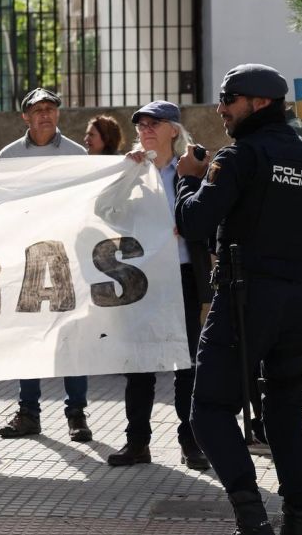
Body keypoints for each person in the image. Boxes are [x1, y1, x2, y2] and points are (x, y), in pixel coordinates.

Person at [175, 64, 302, 535]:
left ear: (258, 104)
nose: (220, 109)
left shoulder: (239, 158)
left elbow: (195, 222)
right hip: (298, 301)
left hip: (245, 299)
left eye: (228, 99)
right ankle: (297, 518)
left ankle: (251, 517)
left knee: (210, 411)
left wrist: (188, 179)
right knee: (285, 409)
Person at [105, 101, 211, 470]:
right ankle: (137, 443)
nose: (146, 129)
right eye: (141, 124)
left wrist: (188, 223)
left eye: (155, 123)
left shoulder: (193, 168)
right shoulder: (131, 170)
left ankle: (192, 442)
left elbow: (211, 218)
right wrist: (127, 176)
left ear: (174, 131)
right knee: (139, 360)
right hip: (140, 278)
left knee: (187, 362)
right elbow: (105, 212)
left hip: (182, 275)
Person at [0, 88, 92, 442]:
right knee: (28, 337)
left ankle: (77, 413)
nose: (44, 115)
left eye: (50, 109)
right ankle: (28, 411)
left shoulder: (77, 154)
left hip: (67, 258)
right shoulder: (7, 156)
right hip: (26, 259)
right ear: (25, 116)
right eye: (37, 110)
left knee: (72, 336)